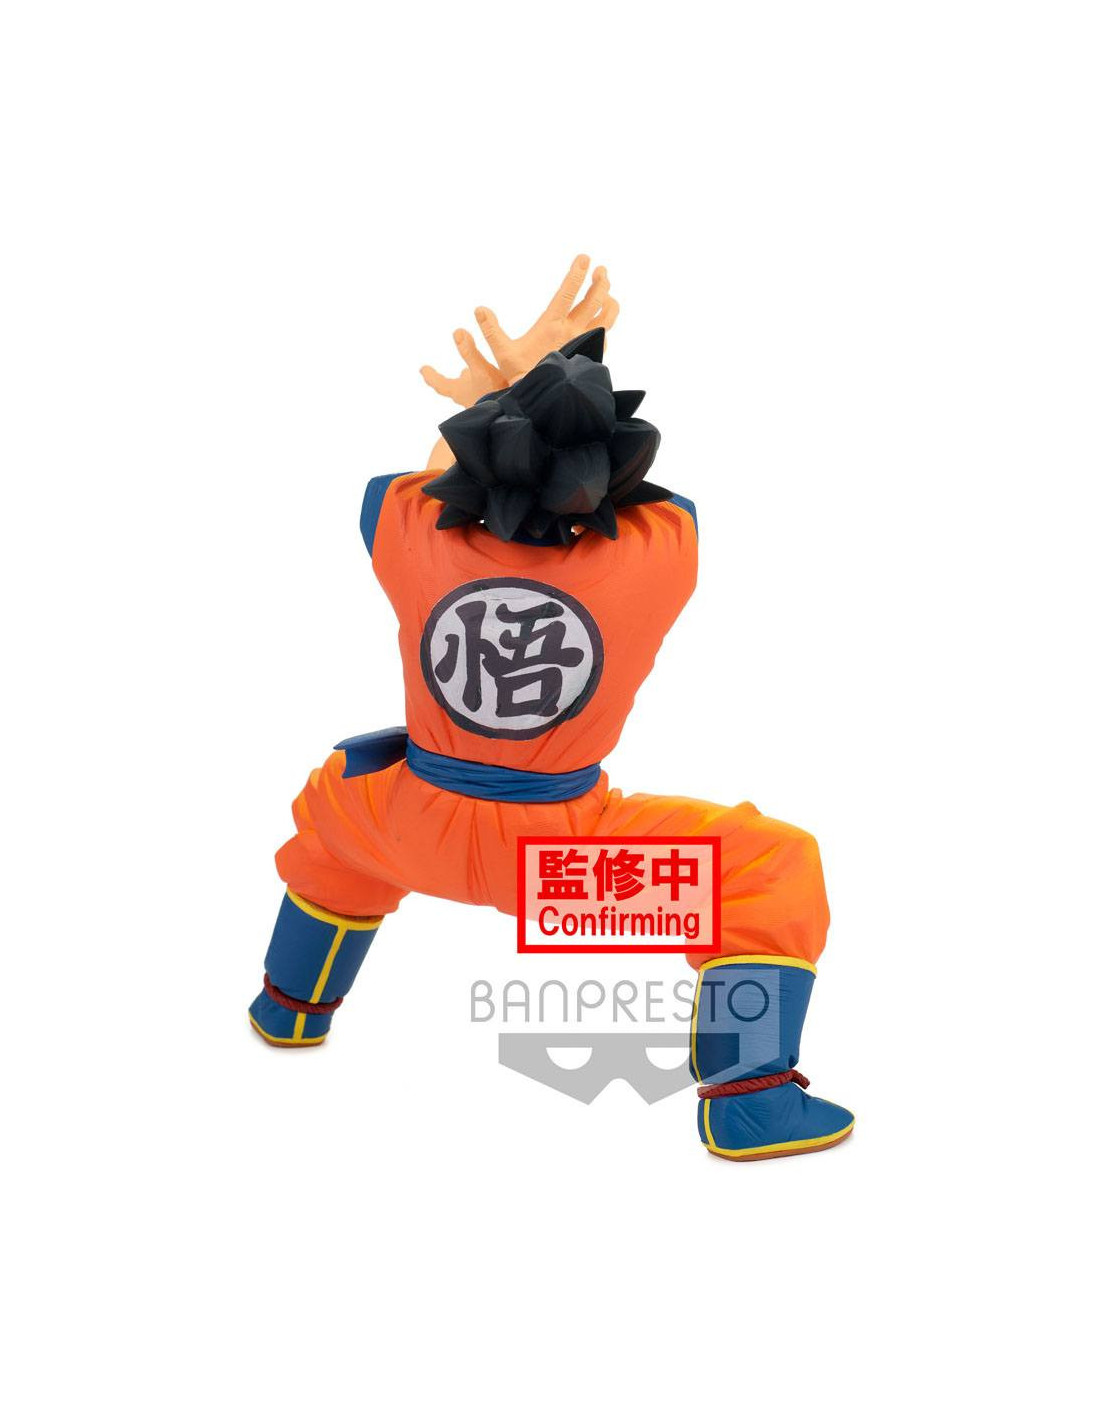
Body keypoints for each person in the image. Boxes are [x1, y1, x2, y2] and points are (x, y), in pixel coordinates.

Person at [248, 257, 854, 1161]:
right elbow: (664, 501)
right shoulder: (660, 550)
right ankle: (750, 1103)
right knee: (772, 868)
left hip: (403, 831)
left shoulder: (415, 538)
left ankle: (289, 1009)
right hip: (559, 874)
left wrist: (499, 394)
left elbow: (423, 484)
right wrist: (556, 388)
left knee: (336, 807)